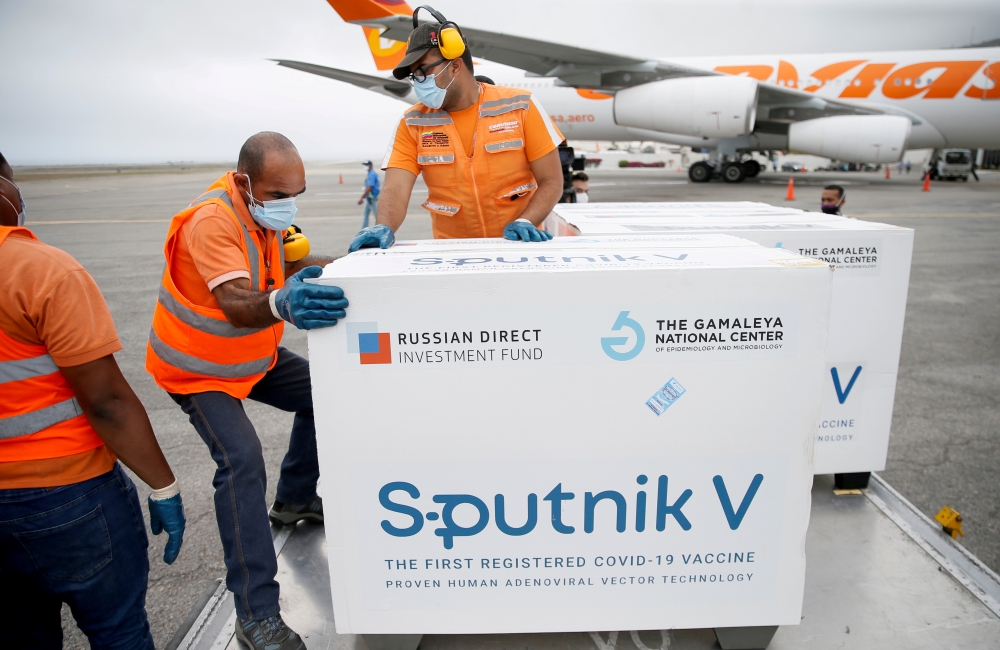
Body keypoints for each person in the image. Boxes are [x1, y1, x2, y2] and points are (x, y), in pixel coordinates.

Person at [145, 132, 349, 650]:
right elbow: (239, 301)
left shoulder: (260, 211)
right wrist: (284, 304)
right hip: (198, 367)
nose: (288, 205)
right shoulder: (212, 220)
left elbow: (283, 268)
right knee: (241, 461)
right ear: (244, 182)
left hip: (249, 356)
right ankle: (256, 613)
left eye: (295, 193)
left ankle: (296, 497)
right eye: (280, 195)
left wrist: (349, 260)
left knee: (328, 390)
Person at [0, 151, 185, 649]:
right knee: (118, 632)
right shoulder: (40, 270)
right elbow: (106, 401)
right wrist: (163, 486)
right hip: (66, 494)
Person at [349, 6, 564, 251]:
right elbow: (396, 187)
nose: (418, 81)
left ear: (455, 66)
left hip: (519, 248)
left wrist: (527, 220)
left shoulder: (520, 106)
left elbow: (552, 181)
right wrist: (383, 226)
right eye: (412, 75)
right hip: (454, 255)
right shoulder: (413, 122)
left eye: (423, 70)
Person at [358, 160, 380, 228]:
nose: (365, 166)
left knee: (376, 215)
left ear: (370, 165)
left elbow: (370, 186)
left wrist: (362, 197)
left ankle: (381, 228)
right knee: (366, 215)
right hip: (369, 198)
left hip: (372, 198)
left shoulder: (372, 174)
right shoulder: (370, 174)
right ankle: (363, 230)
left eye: (366, 165)